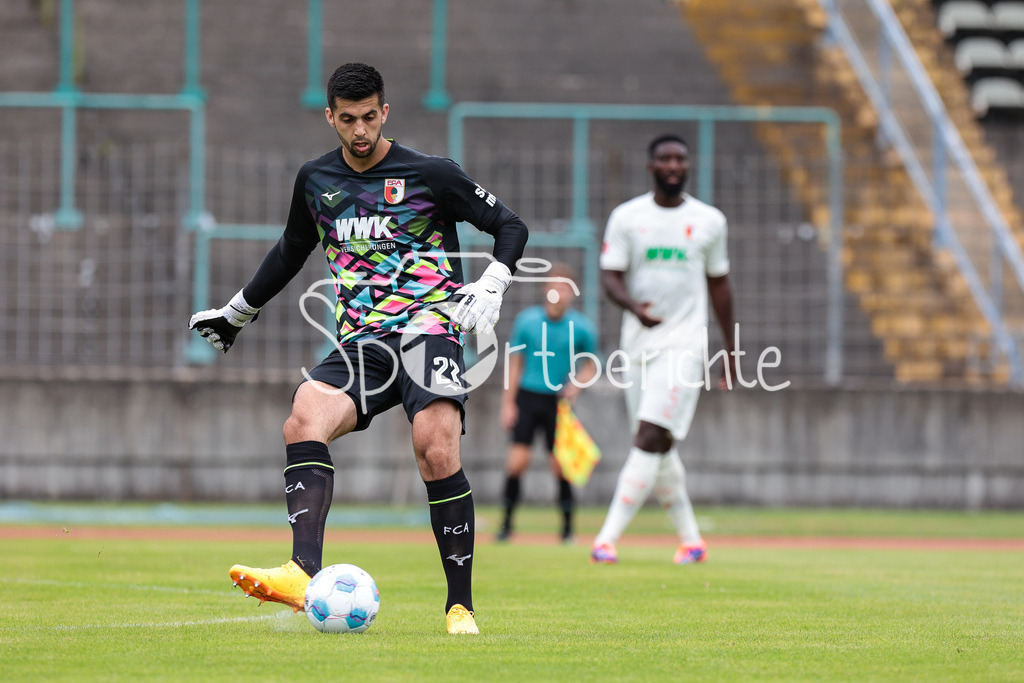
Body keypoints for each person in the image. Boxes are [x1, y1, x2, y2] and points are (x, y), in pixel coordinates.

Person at [188, 63, 528, 634]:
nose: (360, 130)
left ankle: (460, 606)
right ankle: (301, 571)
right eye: (348, 120)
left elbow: (510, 226)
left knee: (435, 448)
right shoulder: (315, 179)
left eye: (370, 117)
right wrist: (238, 310)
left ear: (384, 111)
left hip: (428, 330)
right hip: (363, 343)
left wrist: (493, 283)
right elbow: (292, 249)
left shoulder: (431, 173)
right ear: (331, 117)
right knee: (303, 418)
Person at [590, 133, 734, 566]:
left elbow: (720, 284)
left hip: (686, 344)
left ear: (688, 167)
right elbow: (610, 275)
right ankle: (692, 541)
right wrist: (635, 308)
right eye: (665, 159)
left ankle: (606, 539)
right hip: (638, 345)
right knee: (660, 444)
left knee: (648, 434)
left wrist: (730, 347)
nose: (674, 165)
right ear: (651, 166)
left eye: (681, 159)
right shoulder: (627, 217)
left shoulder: (710, 221)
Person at [497, 263, 598, 544]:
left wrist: (576, 385)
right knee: (517, 463)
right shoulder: (527, 321)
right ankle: (506, 526)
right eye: (554, 286)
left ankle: (567, 530)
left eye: (565, 287)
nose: (559, 292)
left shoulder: (582, 327)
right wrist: (508, 404)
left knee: (560, 465)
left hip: (559, 402)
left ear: (572, 293)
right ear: (546, 288)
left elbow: (591, 364)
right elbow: (514, 364)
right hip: (527, 398)